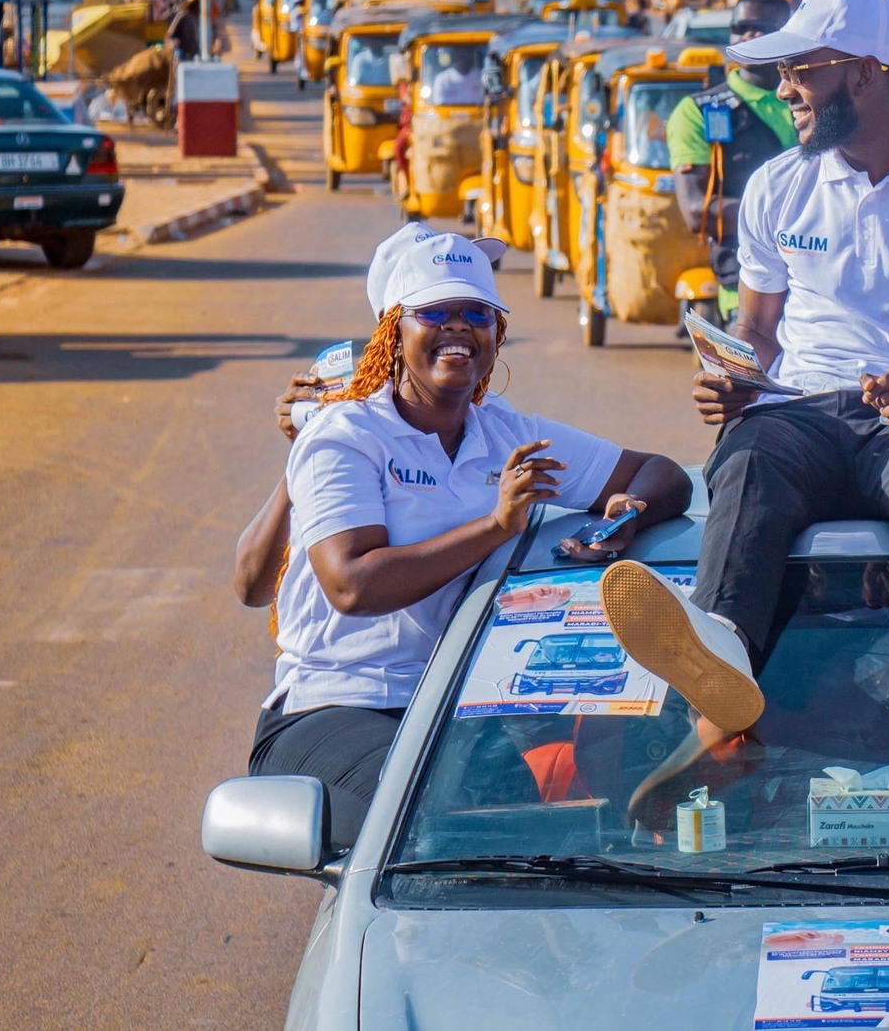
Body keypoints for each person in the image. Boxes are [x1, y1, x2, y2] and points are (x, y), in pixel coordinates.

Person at [597, 0, 889, 743]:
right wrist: (734, 380)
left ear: (867, 73)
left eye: (801, 68)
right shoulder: (777, 185)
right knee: (745, 460)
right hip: (798, 413)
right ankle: (721, 647)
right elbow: (759, 334)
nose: (785, 88)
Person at [248, 228, 692, 848]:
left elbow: (663, 474)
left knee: (558, 836)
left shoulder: (505, 433)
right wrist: (496, 525)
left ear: (496, 334)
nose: (458, 327)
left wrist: (621, 517)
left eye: (476, 313)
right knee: (442, 826)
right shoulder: (345, 435)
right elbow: (351, 584)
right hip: (339, 703)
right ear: (393, 332)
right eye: (434, 311)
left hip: (458, 709)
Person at [666, 0, 798, 299]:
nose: (749, 35)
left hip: (817, 286)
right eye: (740, 28)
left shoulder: (812, 101)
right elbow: (697, 211)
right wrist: (800, 218)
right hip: (745, 288)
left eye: (764, 28)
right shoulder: (699, 111)